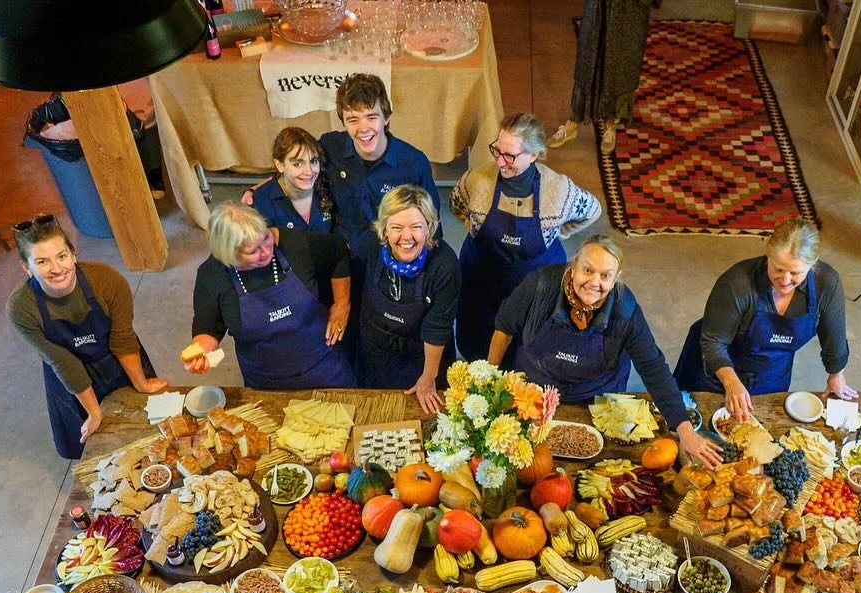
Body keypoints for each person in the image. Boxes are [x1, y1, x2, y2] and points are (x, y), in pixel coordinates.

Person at [488, 235, 722, 468]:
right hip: (534, 394)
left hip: (596, 403)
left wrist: (685, 429)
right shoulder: (539, 285)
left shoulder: (626, 309)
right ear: (573, 266)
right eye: (587, 270)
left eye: (605, 276)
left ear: (615, 279)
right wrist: (490, 380)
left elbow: (653, 367)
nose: (594, 282)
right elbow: (504, 329)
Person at [7, 216, 167, 459]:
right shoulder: (21, 308)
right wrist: (94, 413)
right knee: (97, 445)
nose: (57, 269)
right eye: (42, 261)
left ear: (73, 254)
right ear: (26, 267)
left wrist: (141, 384)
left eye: (61, 256)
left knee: (143, 427)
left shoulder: (107, 281)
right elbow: (64, 362)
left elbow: (122, 339)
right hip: (69, 373)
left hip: (114, 357)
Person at [674, 219, 856, 422]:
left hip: (772, 373)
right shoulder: (737, 283)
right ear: (768, 255)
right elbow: (713, 342)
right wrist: (731, 382)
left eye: (795, 273)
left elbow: (834, 336)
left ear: (812, 265)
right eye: (778, 269)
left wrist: (835, 375)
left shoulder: (826, 283)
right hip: (715, 372)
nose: (785, 280)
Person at [453, 112, 601, 362]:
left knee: (526, 356)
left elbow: (593, 210)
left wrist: (558, 232)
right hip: (481, 284)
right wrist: (473, 225)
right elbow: (456, 204)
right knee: (478, 353)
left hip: (534, 291)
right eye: (497, 151)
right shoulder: (476, 180)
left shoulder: (559, 190)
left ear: (534, 155)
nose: (500, 162)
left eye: (510, 155)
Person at [242, 74, 440, 260]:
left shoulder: (413, 164)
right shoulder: (330, 146)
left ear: (386, 118)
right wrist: (257, 188)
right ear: (344, 122)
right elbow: (300, 166)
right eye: (353, 120)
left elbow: (432, 224)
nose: (363, 129)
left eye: (372, 117)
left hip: (389, 257)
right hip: (340, 257)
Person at [185, 201, 356, 389]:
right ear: (229, 254)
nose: (266, 251)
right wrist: (201, 353)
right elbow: (208, 329)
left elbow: (339, 251)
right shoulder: (212, 276)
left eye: (266, 238)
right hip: (266, 383)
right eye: (253, 251)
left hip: (325, 370)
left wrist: (342, 303)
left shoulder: (295, 245)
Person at [358, 185, 460, 413]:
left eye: (416, 227)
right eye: (396, 228)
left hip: (423, 360)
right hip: (377, 356)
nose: (407, 237)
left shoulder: (445, 265)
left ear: (429, 228)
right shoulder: (368, 247)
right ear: (384, 229)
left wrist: (428, 378)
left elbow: (437, 327)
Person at [547, 0, 658, 152]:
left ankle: (611, 123)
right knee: (588, 57)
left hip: (629, 8)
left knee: (620, 62)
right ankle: (573, 122)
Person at [250, 127, 335, 234]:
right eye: (298, 164)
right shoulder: (261, 203)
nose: (309, 172)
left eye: (313, 161)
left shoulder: (327, 187)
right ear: (279, 165)